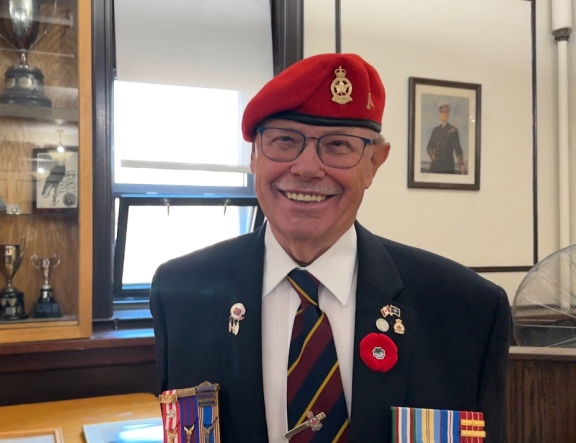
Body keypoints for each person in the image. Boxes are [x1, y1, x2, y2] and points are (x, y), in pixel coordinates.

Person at [150, 53, 510, 443]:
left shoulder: (466, 309)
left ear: (373, 163)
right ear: (254, 155)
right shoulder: (180, 294)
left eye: (338, 145)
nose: (306, 168)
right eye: (285, 140)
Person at [427, 102, 466, 174]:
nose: (444, 114)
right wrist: (432, 155)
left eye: (446, 112)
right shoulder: (435, 130)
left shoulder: (453, 130)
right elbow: (429, 146)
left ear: (448, 114)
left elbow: (458, 149)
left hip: (447, 166)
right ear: (439, 114)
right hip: (435, 165)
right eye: (442, 112)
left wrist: (461, 163)